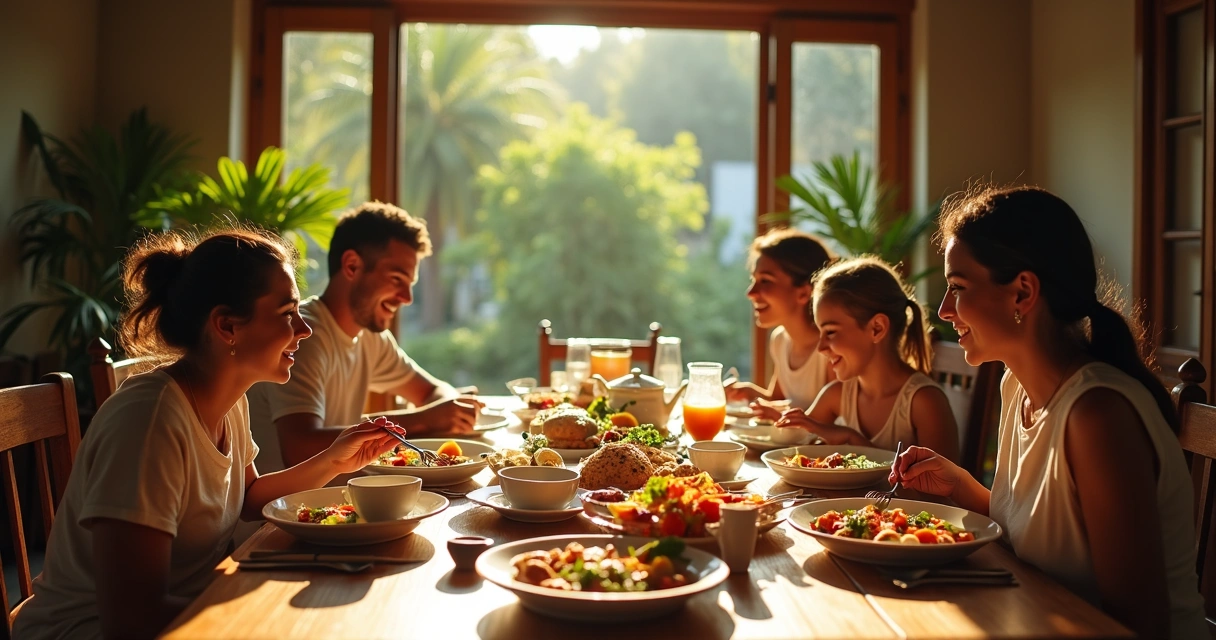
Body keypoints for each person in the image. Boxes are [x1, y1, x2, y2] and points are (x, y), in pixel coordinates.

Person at [12, 226, 399, 640]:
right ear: (227, 326)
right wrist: (264, 619)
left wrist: (335, 460)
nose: (304, 330)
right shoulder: (149, 422)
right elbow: (131, 618)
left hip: (188, 610)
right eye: (287, 314)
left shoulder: (231, 400)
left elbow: (248, 500)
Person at [891, 186, 1205, 638]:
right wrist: (960, 484)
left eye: (957, 287)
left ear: (1022, 292)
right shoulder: (1016, 385)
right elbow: (1040, 534)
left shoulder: (1097, 414)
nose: (943, 310)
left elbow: (1140, 624)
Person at [249, 201, 481, 472]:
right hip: (283, 509)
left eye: (410, 285)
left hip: (338, 499)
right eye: (397, 279)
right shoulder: (303, 337)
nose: (406, 299)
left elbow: (432, 391)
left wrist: (448, 411)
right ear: (351, 265)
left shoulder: (370, 336)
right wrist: (423, 420)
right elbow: (299, 449)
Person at [776, 256, 959, 459]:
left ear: (876, 328)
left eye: (830, 332)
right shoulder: (837, 395)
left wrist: (852, 440)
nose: (820, 348)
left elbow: (942, 488)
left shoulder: (924, 403)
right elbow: (790, 448)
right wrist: (781, 419)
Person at [727, 228, 837, 421]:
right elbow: (779, 400)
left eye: (766, 280)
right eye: (754, 280)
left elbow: (837, 425)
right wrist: (751, 394)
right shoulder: (780, 340)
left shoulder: (832, 351)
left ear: (803, 292)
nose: (751, 293)